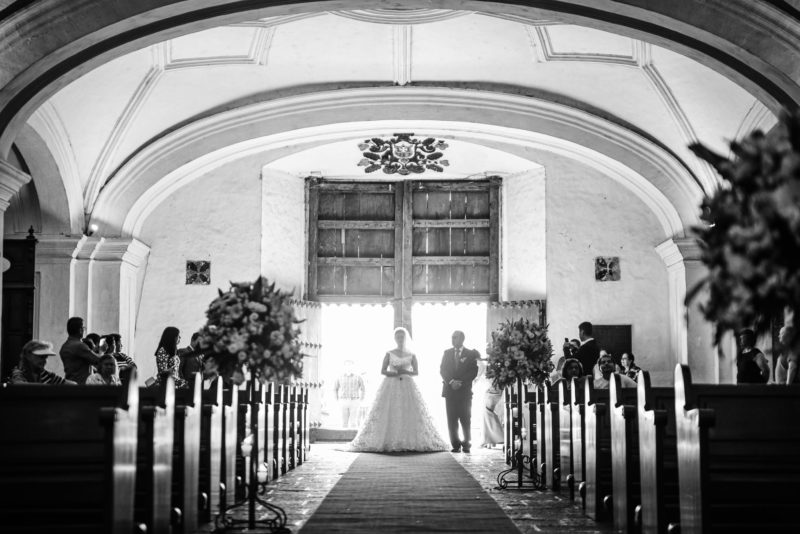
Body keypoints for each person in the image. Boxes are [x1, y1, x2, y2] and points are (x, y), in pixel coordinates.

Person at [347, 327, 448, 452]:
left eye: (402, 336)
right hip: (391, 384)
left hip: (407, 385)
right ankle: (389, 440)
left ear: (406, 338)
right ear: (395, 338)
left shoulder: (412, 354)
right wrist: (393, 373)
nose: (400, 339)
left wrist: (405, 371)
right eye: (398, 336)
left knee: (408, 410)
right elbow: (382, 370)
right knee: (389, 410)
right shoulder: (389, 353)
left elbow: (416, 372)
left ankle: (408, 441)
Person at [440, 330, 481, 453]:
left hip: (464, 391)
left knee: (465, 418)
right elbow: (442, 370)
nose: (452, 340)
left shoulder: (470, 354)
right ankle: (455, 444)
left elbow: (473, 371)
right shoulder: (447, 353)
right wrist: (452, 381)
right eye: (452, 337)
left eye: (455, 337)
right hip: (450, 390)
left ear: (462, 339)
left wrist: (460, 382)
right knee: (451, 419)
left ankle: (467, 443)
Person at [8, 340, 76, 385]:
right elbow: (19, 384)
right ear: (28, 356)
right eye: (41, 357)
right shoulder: (18, 372)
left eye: (45, 357)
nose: (44, 361)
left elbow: (72, 384)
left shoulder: (45, 374)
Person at [59, 317, 101, 384]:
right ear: (80, 330)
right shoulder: (79, 346)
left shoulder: (65, 346)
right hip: (81, 384)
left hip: (70, 382)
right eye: (84, 328)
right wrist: (102, 350)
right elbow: (98, 360)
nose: (84, 330)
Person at [333, 359, 365, 429]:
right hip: (343, 401)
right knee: (344, 423)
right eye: (347, 365)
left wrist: (361, 399)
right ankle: (343, 436)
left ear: (353, 366)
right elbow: (335, 389)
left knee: (353, 423)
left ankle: (353, 435)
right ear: (344, 366)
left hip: (354, 401)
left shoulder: (358, 377)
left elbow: (363, 389)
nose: (349, 367)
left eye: (350, 365)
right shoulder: (339, 377)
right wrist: (337, 399)